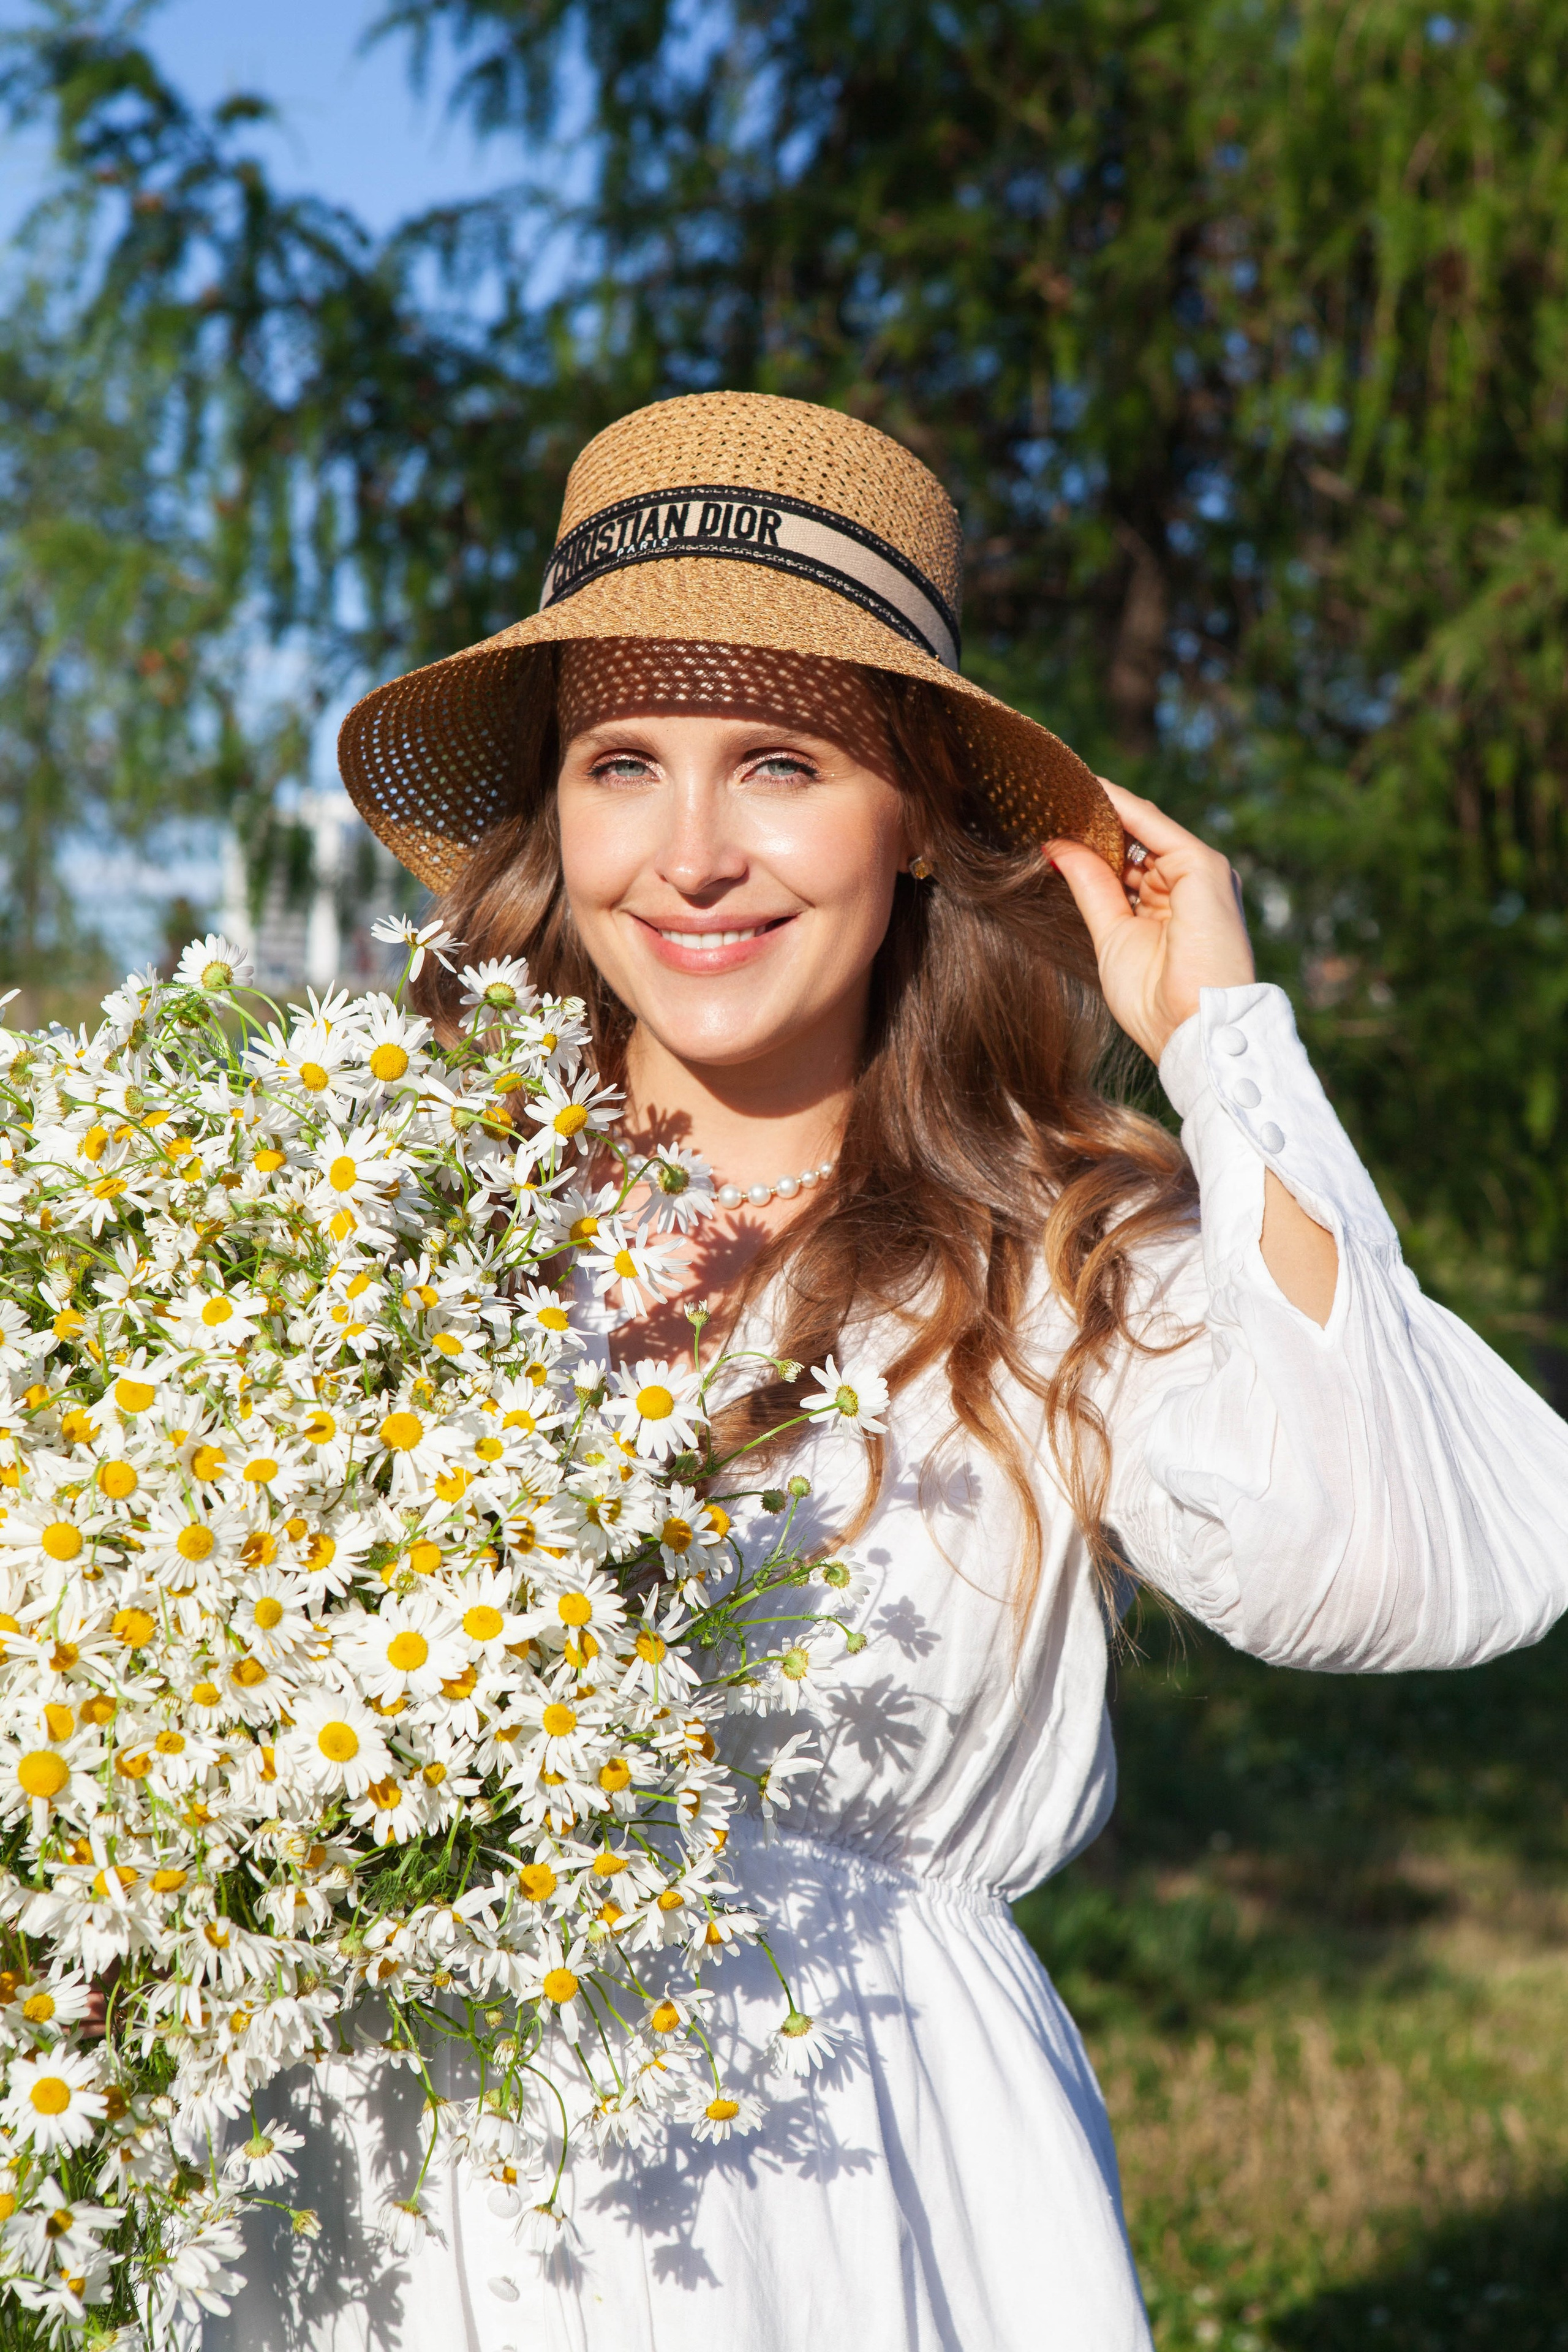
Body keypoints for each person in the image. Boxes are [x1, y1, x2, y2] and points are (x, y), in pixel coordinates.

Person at [216, 391, 1568, 2351]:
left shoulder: (1058, 1264)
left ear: (921, 815)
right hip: (385, 2184)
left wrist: (1226, 1041)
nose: (689, 856)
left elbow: (1424, 1555)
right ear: (554, 816)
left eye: (779, 762)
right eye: (621, 766)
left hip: (841, 2179)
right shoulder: (375, 1226)